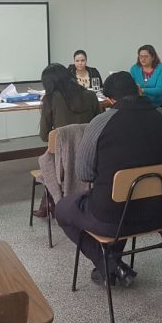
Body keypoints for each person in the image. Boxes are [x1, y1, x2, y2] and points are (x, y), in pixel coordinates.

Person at [55, 71, 162, 286]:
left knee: (63, 209)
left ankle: (108, 264)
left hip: (110, 219)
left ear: (110, 100)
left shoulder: (100, 123)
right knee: (124, 202)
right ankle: (113, 263)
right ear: (138, 89)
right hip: (156, 215)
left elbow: (84, 173)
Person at [34, 63, 101, 217]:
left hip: (64, 160)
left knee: (48, 159)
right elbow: (98, 125)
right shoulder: (91, 95)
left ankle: (49, 201)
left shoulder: (50, 99)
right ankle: (48, 202)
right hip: (92, 155)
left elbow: (44, 136)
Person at [130, 44, 162, 115]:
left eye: (146, 56)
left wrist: (142, 90)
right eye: (141, 56)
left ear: (153, 57)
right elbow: (130, 85)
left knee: (161, 117)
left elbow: (159, 90)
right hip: (143, 102)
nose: (143, 59)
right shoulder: (134, 68)